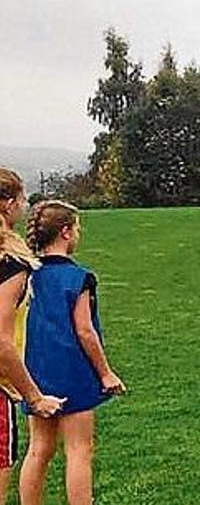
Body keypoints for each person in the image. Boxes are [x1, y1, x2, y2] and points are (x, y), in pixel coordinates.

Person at [19, 201, 126, 505]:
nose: (78, 233)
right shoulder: (79, 278)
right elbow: (84, 330)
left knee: (39, 449)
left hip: (35, 372)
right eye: (77, 228)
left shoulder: (27, 275)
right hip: (73, 371)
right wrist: (105, 373)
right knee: (79, 450)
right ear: (66, 232)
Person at [0, 169, 64, 505]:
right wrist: (33, 397)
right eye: (22, 199)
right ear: (9, 205)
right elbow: (1, 340)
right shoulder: (11, 264)